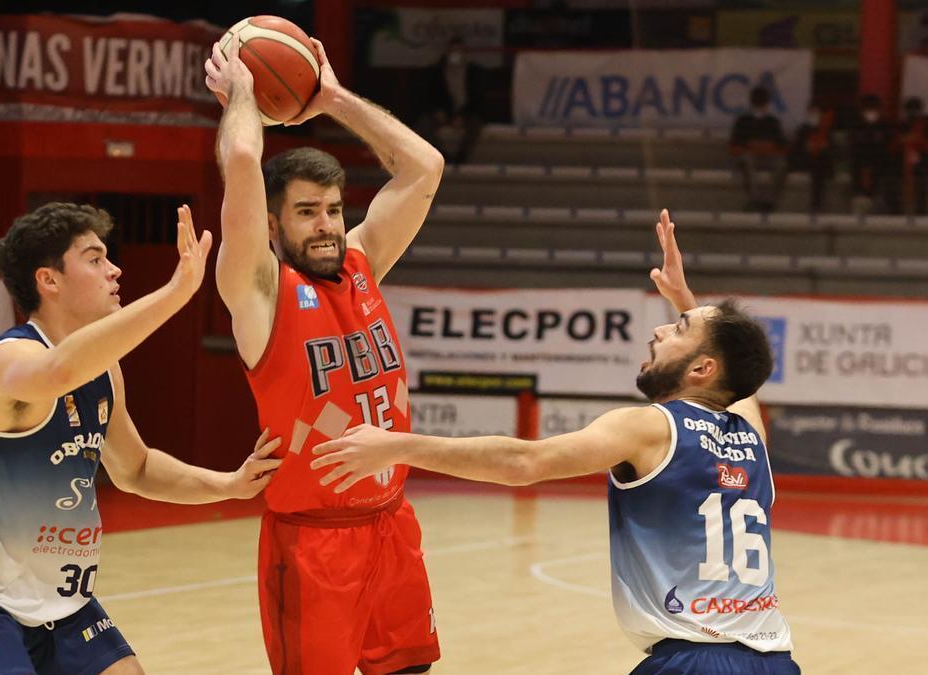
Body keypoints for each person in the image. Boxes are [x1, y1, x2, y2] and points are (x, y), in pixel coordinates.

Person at [311, 210, 800, 675]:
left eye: (677, 329)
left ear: (701, 369)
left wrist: (396, 445)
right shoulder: (752, 440)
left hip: (694, 662)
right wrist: (688, 305)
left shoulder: (651, 427)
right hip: (777, 658)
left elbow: (524, 463)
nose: (660, 329)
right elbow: (736, 382)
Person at [0, 201, 283, 675]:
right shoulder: (6, 361)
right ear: (49, 280)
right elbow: (58, 369)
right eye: (95, 258)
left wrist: (227, 484)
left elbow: (137, 469)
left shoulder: (105, 370)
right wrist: (175, 293)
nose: (115, 269)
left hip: (60, 604)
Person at [204, 35, 445, 675]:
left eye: (334, 210)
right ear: (275, 227)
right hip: (313, 541)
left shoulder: (364, 262)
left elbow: (424, 167)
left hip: (392, 525)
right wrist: (244, 100)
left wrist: (331, 97)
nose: (327, 226)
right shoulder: (260, 294)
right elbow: (243, 166)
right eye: (307, 213)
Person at [415, 37, 485, 166]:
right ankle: (442, 155)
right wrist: (438, 111)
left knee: (476, 124)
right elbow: (429, 95)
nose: (455, 54)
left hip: (466, 113)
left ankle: (461, 157)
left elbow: (478, 98)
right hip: (444, 112)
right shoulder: (436, 71)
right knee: (422, 125)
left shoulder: (474, 72)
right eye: (452, 50)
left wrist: (463, 115)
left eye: (458, 50)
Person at [729, 87, 788, 212]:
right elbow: (734, 146)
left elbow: (782, 147)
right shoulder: (743, 121)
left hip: (769, 157)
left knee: (782, 164)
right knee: (747, 161)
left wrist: (767, 148)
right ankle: (755, 199)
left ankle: (771, 200)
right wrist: (751, 147)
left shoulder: (773, 122)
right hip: (749, 156)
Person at [849, 95, 899, 215]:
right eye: (868, 109)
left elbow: (890, 147)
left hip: (880, 166)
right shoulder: (856, 125)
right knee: (860, 195)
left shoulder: (885, 126)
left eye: (874, 109)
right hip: (860, 165)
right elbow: (854, 146)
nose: (871, 113)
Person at [788, 103, 835, 213]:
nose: (814, 114)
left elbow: (834, 150)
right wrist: (808, 148)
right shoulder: (802, 129)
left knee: (819, 163)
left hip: (821, 163)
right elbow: (795, 151)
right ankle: (815, 204)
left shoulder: (826, 130)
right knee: (816, 164)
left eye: (816, 112)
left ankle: (816, 204)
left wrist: (824, 146)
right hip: (805, 161)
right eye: (811, 112)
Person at [896, 97, 928, 215]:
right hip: (902, 164)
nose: (913, 113)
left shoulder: (927, 126)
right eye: (910, 110)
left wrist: (917, 141)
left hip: (922, 164)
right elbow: (894, 146)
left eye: (916, 110)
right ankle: (898, 213)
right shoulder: (901, 126)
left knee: (921, 185)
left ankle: (921, 212)